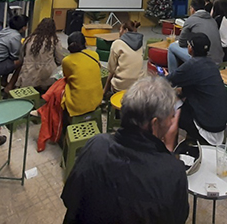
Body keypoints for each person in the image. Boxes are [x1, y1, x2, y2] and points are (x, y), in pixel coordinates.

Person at [61, 76, 189, 224]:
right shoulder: (172, 171)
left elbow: (70, 199)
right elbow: (178, 218)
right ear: (154, 124)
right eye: (171, 117)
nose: (172, 122)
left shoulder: (95, 145)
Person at [166, 33, 227, 146]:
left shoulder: (191, 65)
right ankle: (190, 139)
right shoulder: (212, 65)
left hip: (207, 127)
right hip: (220, 125)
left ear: (190, 48)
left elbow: (167, 82)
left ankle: (170, 147)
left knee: (170, 110)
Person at [167, 0, 223, 74]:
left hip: (204, 60)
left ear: (192, 9)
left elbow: (181, 43)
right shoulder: (212, 20)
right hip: (219, 60)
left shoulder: (191, 20)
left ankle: (172, 79)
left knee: (172, 47)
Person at [61, 32, 102, 123]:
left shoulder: (67, 61)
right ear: (85, 43)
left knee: (58, 91)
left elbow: (65, 77)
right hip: (96, 100)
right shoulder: (94, 55)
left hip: (77, 105)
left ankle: (63, 129)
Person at [0, 14, 29, 93]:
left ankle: (3, 81)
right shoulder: (15, 36)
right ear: (24, 27)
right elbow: (15, 56)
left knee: (8, 59)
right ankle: (9, 86)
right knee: (20, 61)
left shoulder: (5, 30)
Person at [16, 18, 65, 90]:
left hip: (28, 75)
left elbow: (21, 56)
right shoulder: (54, 41)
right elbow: (60, 59)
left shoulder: (29, 39)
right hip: (47, 76)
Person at [104, 20, 144, 96]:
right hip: (139, 84)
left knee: (112, 79)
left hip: (121, 85)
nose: (119, 32)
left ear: (126, 30)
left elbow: (111, 69)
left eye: (120, 30)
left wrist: (105, 88)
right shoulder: (140, 44)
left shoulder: (117, 43)